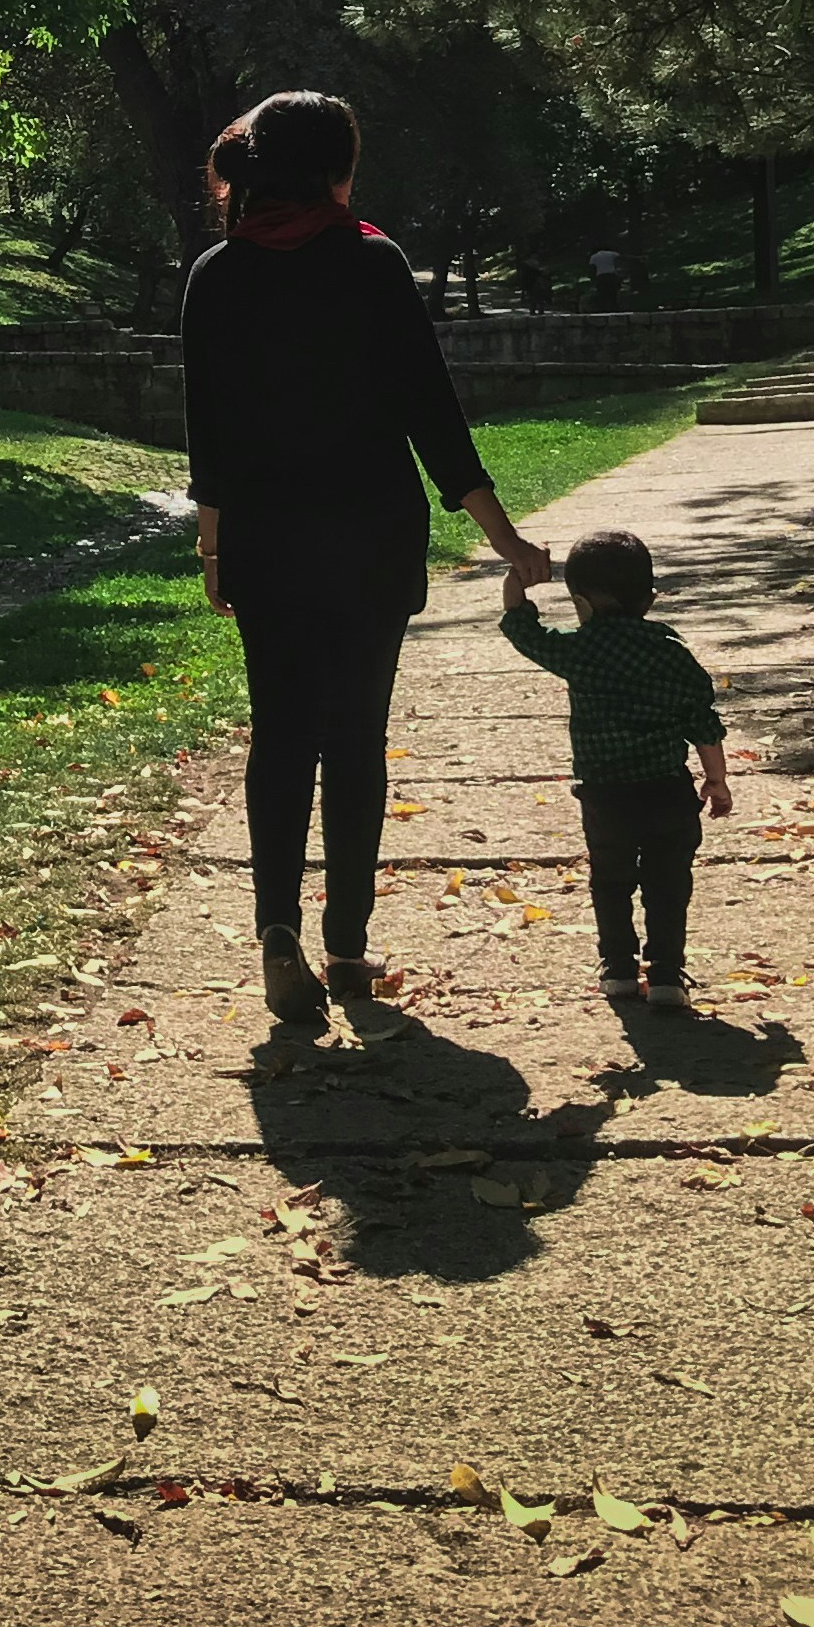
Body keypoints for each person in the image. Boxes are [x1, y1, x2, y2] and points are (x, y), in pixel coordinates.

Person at [185, 89, 553, 1040]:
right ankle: (346, 946)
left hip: (265, 539)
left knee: (280, 735)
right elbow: (432, 411)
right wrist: (503, 536)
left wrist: (214, 549)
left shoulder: (215, 276)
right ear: (334, 171)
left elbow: (208, 435)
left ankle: (276, 929)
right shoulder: (373, 261)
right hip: (369, 538)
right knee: (354, 739)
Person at [497, 527, 731, 1008]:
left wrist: (516, 578)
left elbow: (522, 628)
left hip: (604, 795)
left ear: (580, 602)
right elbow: (704, 726)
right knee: (669, 884)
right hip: (668, 790)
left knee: (610, 879)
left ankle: (619, 969)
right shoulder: (673, 654)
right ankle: (666, 974)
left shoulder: (578, 650)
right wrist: (717, 780)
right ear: (649, 599)